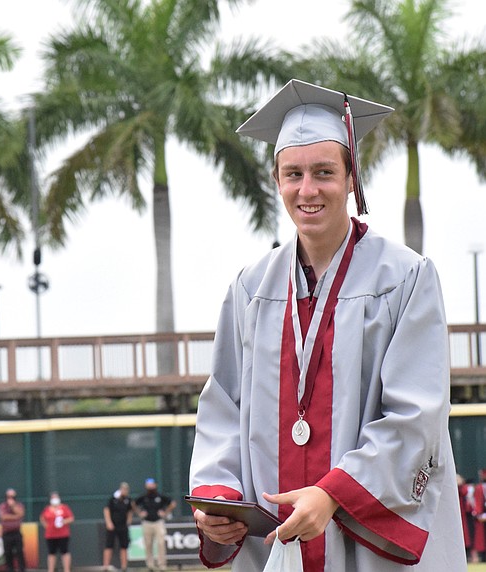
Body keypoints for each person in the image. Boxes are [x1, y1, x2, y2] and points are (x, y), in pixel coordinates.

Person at [189, 79, 466, 570]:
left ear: (351, 177)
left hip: (364, 540)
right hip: (278, 538)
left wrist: (333, 493)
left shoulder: (405, 278)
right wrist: (220, 497)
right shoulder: (251, 289)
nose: (307, 189)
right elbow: (224, 407)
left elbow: (416, 414)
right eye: (292, 174)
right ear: (277, 181)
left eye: (324, 172)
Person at [134, 478, 175, 571]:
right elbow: (133, 504)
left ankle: (162, 565)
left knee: (161, 543)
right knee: (148, 544)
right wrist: (139, 513)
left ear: (155, 485)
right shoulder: (144, 497)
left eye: (152, 484)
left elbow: (172, 503)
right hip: (147, 522)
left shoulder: (159, 496)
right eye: (148, 484)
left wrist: (165, 512)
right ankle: (150, 565)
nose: (150, 486)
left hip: (158, 522)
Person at [39, 491, 75, 572]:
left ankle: (66, 569)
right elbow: (42, 517)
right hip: (50, 535)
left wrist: (64, 522)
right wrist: (45, 525)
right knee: (51, 553)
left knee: (64, 552)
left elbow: (71, 518)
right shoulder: (47, 509)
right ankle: (51, 570)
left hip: (63, 534)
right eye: (53, 498)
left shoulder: (64, 508)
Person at [103, 482, 133, 571]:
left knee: (124, 546)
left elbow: (130, 511)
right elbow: (106, 510)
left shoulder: (128, 500)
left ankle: (124, 567)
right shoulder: (113, 499)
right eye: (123, 489)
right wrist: (109, 522)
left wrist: (128, 521)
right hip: (113, 525)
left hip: (123, 526)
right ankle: (106, 566)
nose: (125, 491)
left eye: (126, 489)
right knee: (109, 545)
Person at [0, 488, 26, 572]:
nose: (11, 498)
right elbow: (3, 517)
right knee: (8, 553)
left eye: (12, 496)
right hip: (6, 533)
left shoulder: (19, 505)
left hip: (16, 532)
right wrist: (15, 517)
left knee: (19, 552)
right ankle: (10, 569)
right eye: (9, 496)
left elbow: (21, 514)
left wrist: (13, 506)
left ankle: (21, 569)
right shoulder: (2, 506)